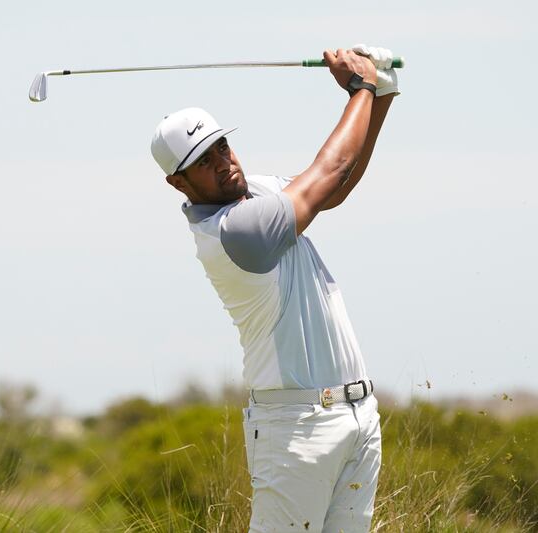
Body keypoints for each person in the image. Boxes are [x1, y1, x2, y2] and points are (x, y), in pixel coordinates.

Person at [150, 45, 399, 532]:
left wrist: (381, 95)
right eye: (203, 160)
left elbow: (336, 185)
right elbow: (325, 176)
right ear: (177, 182)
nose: (223, 162)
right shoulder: (234, 232)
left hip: (355, 418)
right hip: (297, 432)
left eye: (222, 145)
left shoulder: (257, 192)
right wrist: (360, 89)